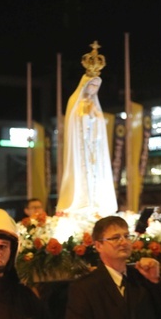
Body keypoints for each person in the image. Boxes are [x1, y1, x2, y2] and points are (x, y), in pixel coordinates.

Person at [56, 41, 118, 216]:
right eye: (90, 86)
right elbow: (74, 124)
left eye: (95, 87)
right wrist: (85, 117)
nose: (92, 89)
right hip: (81, 146)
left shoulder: (95, 106)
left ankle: (98, 202)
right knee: (82, 175)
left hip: (94, 147)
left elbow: (100, 127)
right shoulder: (75, 103)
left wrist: (95, 119)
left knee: (96, 174)